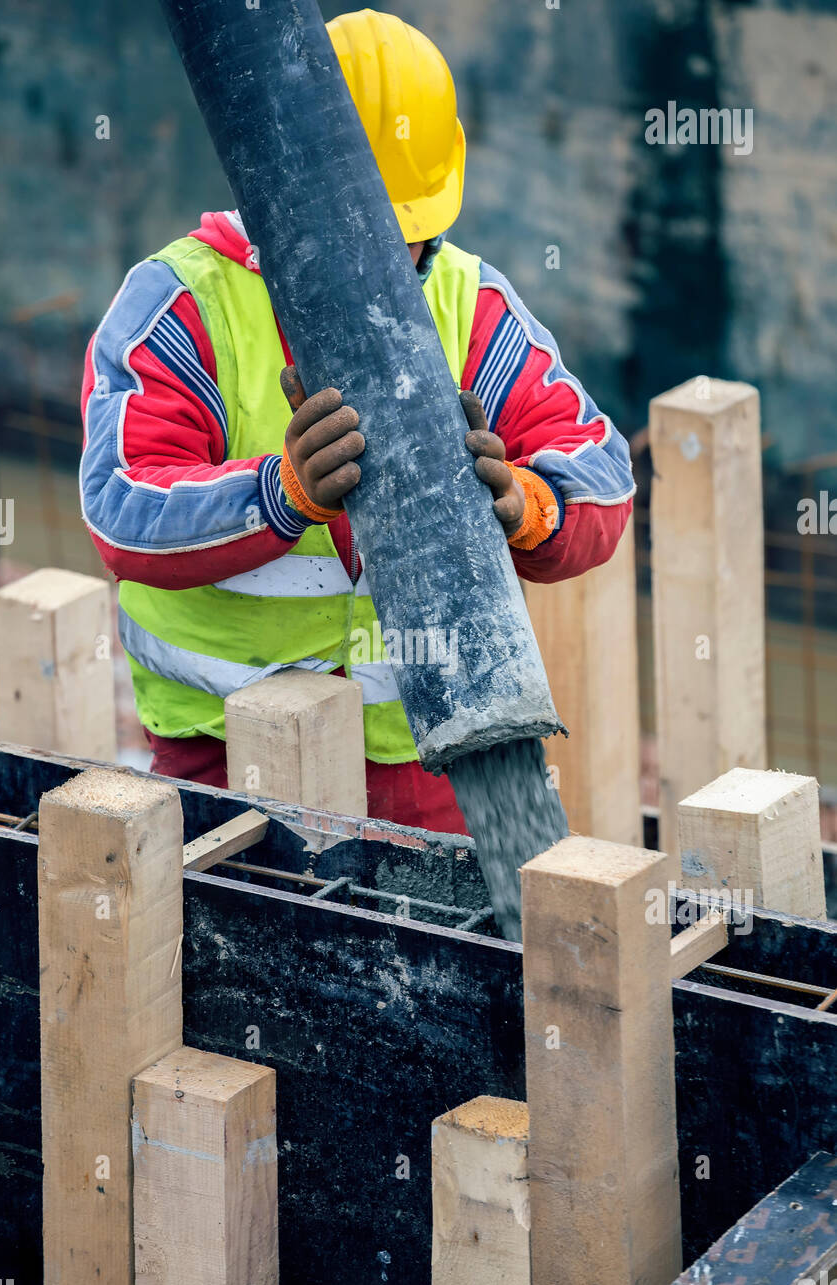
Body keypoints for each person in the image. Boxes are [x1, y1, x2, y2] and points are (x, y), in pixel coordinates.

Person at [80, 8, 634, 833]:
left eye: (407, 238)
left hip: (440, 757)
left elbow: (602, 473)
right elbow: (121, 510)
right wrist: (279, 495)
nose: (390, 267)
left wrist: (525, 504)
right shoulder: (182, 304)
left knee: (492, 949)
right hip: (226, 763)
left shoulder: (468, 303)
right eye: (363, 238)